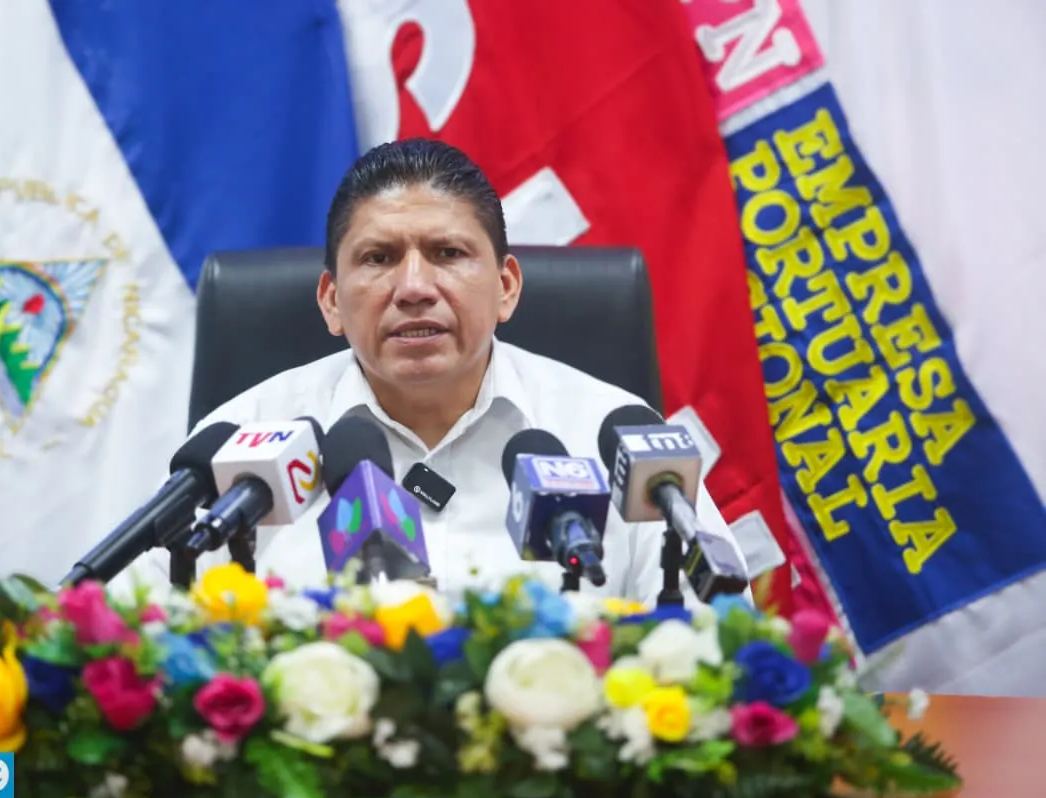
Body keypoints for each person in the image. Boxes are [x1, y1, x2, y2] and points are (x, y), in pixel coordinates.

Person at [122, 138, 749, 604]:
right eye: (379, 258)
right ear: (331, 301)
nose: (415, 287)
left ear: (506, 287)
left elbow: (718, 642)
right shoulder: (243, 441)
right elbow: (127, 630)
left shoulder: (613, 436)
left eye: (448, 253)